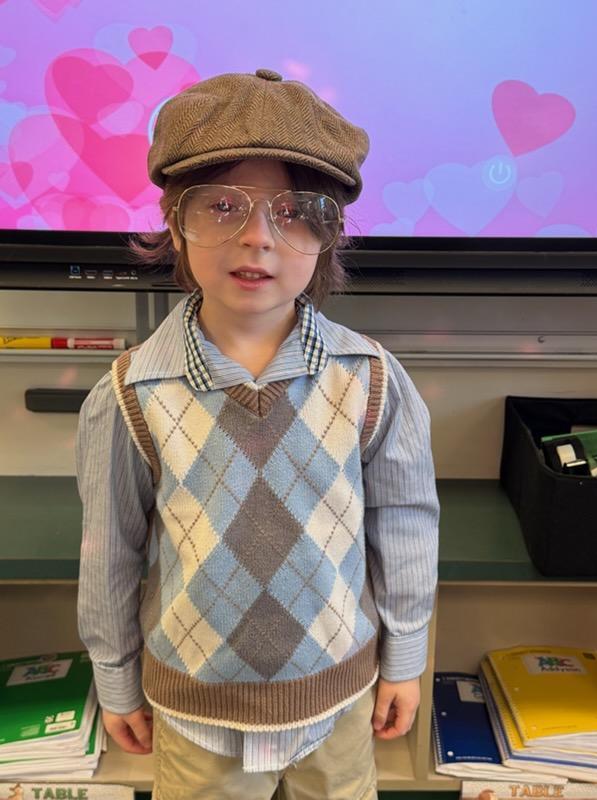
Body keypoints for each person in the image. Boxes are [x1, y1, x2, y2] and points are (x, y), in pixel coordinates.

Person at [76, 68, 439, 800]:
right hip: (194, 711)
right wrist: (114, 680)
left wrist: (406, 657)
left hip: (337, 704)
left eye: (295, 211)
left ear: (329, 230)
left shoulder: (371, 380)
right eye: (221, 205)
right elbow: (109, 550)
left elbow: (404, 526)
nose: (257, 237)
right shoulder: (128, 394)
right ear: (175, 220)